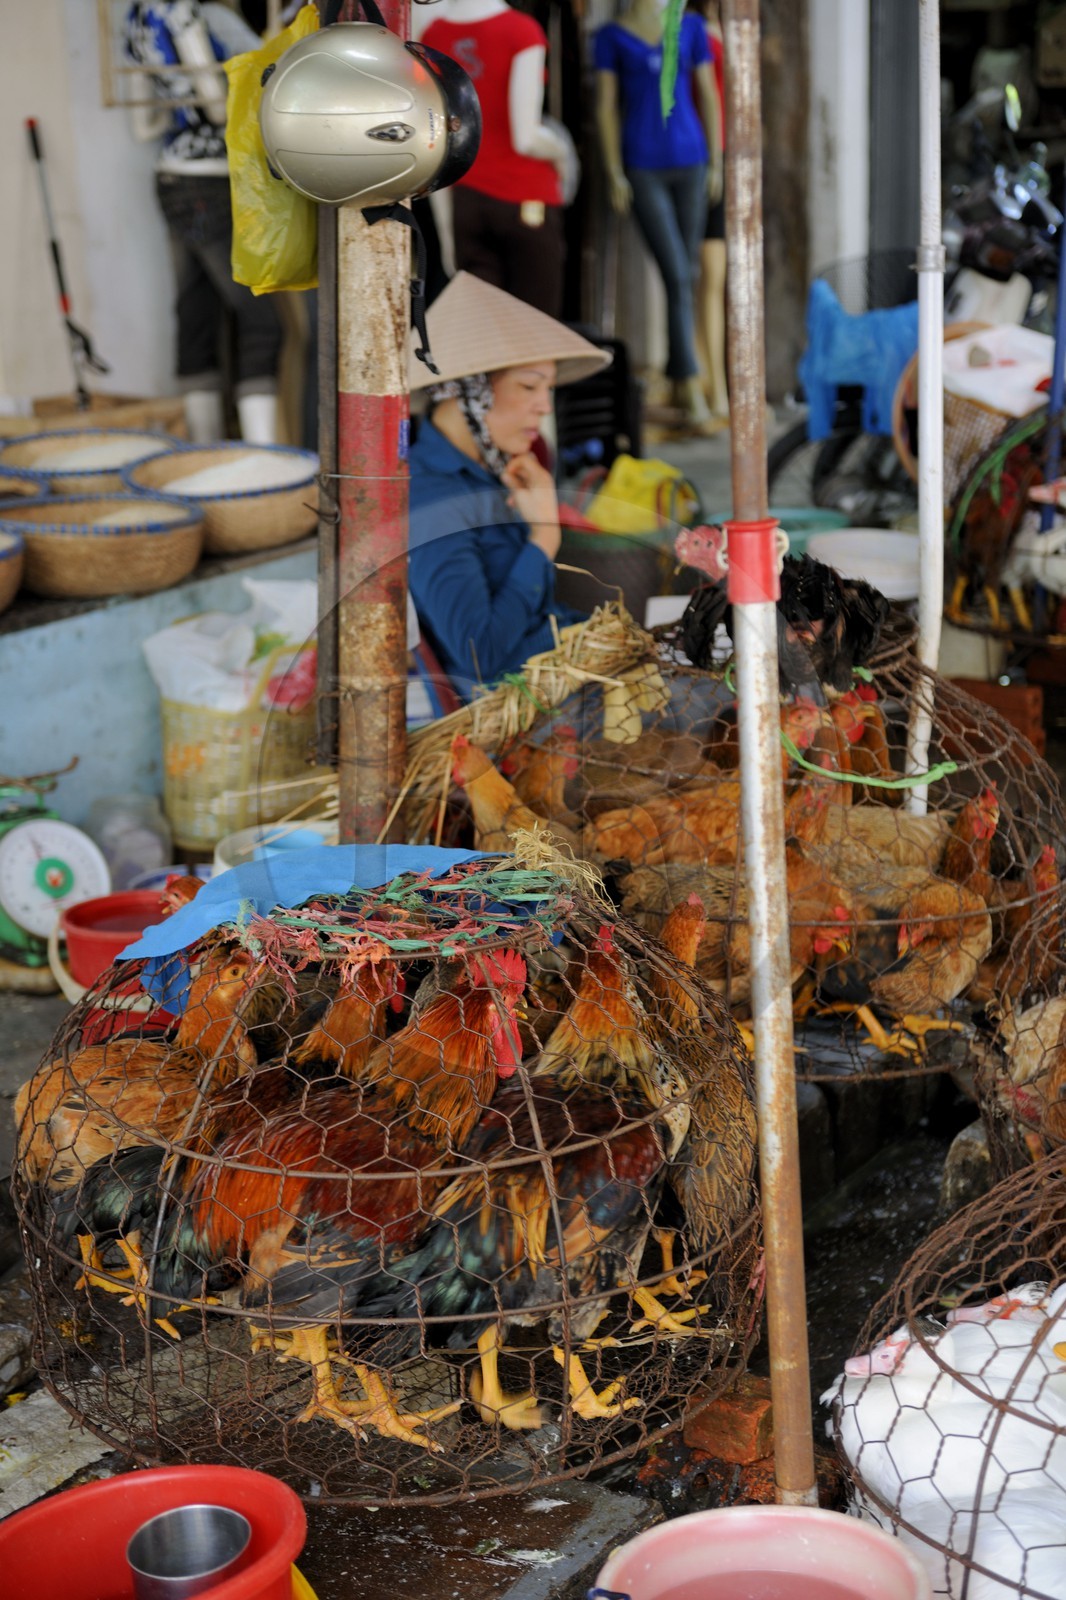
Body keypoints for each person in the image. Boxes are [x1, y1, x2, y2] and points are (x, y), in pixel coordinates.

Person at [407, 273, 610, 698]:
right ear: (471, 392)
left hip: (563, 672)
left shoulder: (495, 470)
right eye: (529, 386)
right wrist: (543, 536)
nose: (544, 406)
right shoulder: (432, 499)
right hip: (525, 712)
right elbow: (481, 658)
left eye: (548, 389)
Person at [124, 1, 283, 444]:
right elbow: (218, 109)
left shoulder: (137, 18)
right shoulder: (194, 15)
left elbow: (145, 124)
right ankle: (262, 461)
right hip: (212, 181)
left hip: (171, 175)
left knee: (195, 311)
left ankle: (204, 451)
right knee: (262, 321)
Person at [595, 0, 722, 433]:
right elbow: (606, 106)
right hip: (642, 164)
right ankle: (686, 380)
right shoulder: (612, 37)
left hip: (691, 159)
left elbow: (707, 92)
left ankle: (682, 376)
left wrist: (717, 161)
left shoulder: (690, 27)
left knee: (684, 272)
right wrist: (613, 170)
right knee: (677, 271)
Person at [419, 0, 574, 317]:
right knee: (535, 330)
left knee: (487, 336)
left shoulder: (433, 34)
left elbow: (437, 139)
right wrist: (562, 153)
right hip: (526, 200)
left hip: (465, 201)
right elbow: (526, 138)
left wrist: (447, 230)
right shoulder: (521, 31)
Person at [690, 0, 728, 422]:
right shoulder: (692, 28)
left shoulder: (726, 28)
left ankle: (712, 381)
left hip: (729, 157)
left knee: (716, 277)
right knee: (710, 275)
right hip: (703, 157)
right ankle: (713, 386)